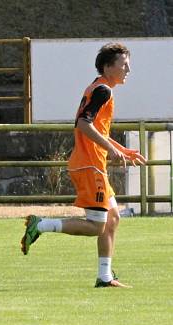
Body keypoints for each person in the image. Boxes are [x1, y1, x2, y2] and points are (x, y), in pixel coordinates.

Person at [20, 42, 146, 288]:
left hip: (92, 163)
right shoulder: (103, 91)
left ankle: (105, 277)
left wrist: (121, 149)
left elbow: (94, 128)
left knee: (112, 219)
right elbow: (83, 124)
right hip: (90, 165)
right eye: (124, 65)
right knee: (96, 226)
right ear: (109, 67)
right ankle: (41, 224)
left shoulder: (98, 87)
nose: (128, 70)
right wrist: (110, 149)